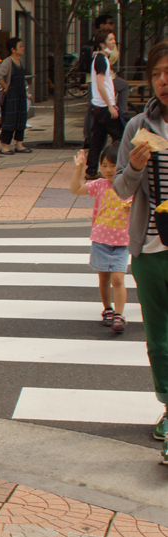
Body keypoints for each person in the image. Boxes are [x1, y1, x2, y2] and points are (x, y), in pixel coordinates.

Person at [112, 39, 168, 465]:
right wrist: (134, 165)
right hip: (150, 245)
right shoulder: (137, 126)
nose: (164, 81)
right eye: (157, 74)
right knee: (159, 337)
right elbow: (119, 189)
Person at [69, 145, 132, 332]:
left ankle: (119, 315)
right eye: (104, 166)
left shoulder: (129, 187)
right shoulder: (100, 185)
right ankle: (108, 310)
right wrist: (79, 168)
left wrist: (132, 207)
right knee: (104, 278)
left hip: (122, 242)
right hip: (100, 240)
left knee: (118, 279)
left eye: (113, 166)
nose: (109, 170)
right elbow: (75, 189)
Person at [86, 31, 126, 180]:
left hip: (99, 107)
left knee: (98, 140)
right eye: (110, 39)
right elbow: (101, 85)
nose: (113, 42)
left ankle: (91, 170)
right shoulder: (101, 59)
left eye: (114, 39)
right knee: (120, 138)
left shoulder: (101, 58)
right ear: (102, 44)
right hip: (104, 107)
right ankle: (119, 168)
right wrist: (110, 105)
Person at [0, 38, 31, 155]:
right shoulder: (7, 62)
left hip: (21, 95)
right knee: (9, 120)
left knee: (21, 119)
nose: (23, 48)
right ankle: (4, 145)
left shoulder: (20, 61)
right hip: (11, 96)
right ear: (13, 49)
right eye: (20, 46)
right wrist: (6, 87)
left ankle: (19, 144)